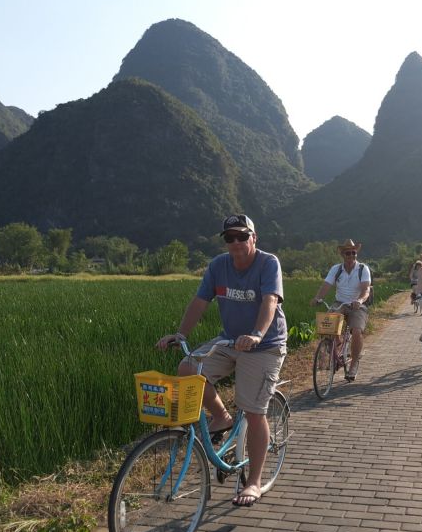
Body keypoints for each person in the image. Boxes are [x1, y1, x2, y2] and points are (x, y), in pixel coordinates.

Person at [156, 214, 286, 507]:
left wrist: (255, 334)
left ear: (254, 238)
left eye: (242, 236)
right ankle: (221, 417)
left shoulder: (268, 263)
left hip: (264, 345)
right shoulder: (218, 266)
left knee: (253, 411)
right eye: (230, 238)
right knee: (188, 367)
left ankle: (253, 482)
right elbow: (200, 302)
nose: (236, 243)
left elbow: (270, 302)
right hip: (229, 340)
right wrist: (180, 333)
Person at [310, 239, 371, 381]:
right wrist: (317, 298)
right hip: (340, 303)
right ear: (343, 255)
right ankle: (336, 345)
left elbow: (366, 289)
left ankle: (354, 363)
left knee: (356, 331)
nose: (352, 256)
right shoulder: (336, 269)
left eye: (354, 253)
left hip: (357, 304)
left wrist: (360, 300)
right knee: (328, 324)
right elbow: (326, 285)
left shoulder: (363, 269)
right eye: (348, 253)